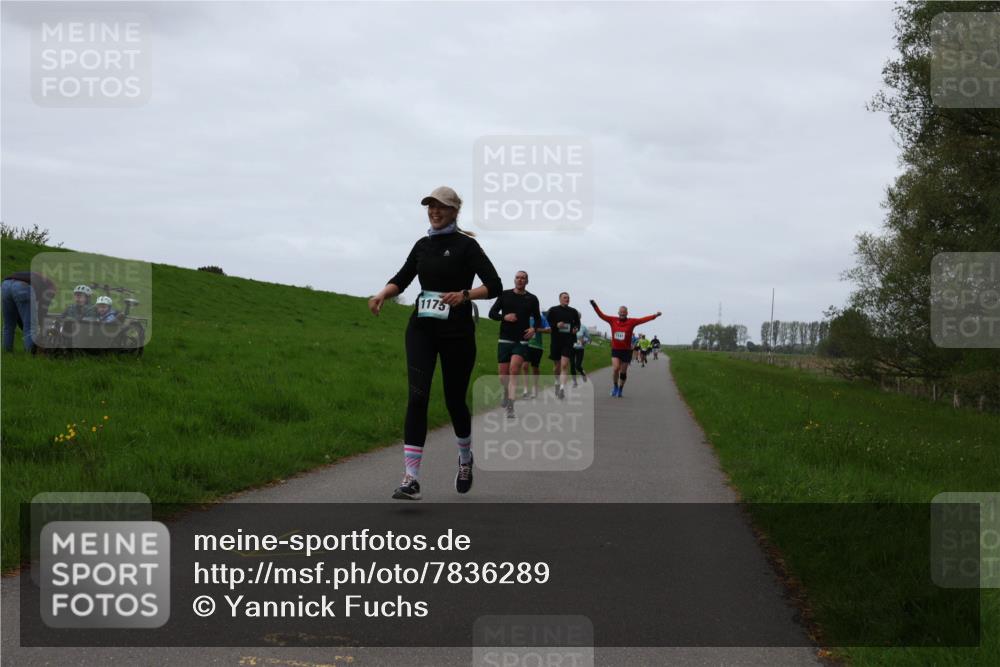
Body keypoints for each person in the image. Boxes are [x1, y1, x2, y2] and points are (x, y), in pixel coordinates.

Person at [369, 186, 502, 501]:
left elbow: (494, 285)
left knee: (454, 400)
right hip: (422, 328)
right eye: (430, 206)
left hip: (457, 332)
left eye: (441, 207)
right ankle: (411, 478)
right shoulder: (422, 245)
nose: (434, 211)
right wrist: (382, 293)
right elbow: (402, 277)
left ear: (454, 211)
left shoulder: (467, 246)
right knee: (417, 397)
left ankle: (465, 459)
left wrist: (465, 295)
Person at [488, 270, 541, 419]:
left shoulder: (532, 299)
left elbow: (537, 319)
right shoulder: (504, 295)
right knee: (502, 376)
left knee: (514, 370)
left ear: (527, 281)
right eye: (517, 277)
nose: (520, 280)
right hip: (505, 339)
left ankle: (511, 406)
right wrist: (505, 317)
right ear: (514, 280)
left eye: (523, 278)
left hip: (521, 340)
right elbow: (492, 313)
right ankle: (506, 393)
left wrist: (533, 329)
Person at [590, 300, 662, 398]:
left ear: (627, 313)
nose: (622, 313)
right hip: (616, 350)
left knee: (623, 372)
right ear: (618, 313)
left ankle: (620, 389)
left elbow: (643, 320)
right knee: (616, 368)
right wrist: (594, 305)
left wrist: (655, 316)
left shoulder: (631, 322)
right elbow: (601, 315)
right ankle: (615, 387)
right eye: (621, 312)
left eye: (624, 312)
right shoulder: (612, 320)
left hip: (626, 351)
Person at [1, 271, 57, 353]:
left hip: (5, 285)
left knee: (8, 325)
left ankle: (7, 351)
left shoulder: (37, 279)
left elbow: (19, 313)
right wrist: (41, 326)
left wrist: (24, 324)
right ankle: (31, 353)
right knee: (30, 327)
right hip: (22, 287)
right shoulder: (50, 288)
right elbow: (42, 310)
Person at [546, 292, 581, 399]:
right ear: (560, 299)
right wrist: (556, 325)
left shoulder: (573, 311)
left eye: (568, 298)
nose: (567, 299)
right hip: (556, 341)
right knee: (557, 367)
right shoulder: (553, 310)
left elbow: (578, 324)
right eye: (565, 297)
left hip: (568, 341)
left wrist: (576, 328)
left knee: (564, 365)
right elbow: (548, 322)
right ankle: (557, 382)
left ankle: (562, 389)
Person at [521, 312, 549, 399]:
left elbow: (549, 330)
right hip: (525, 345)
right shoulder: (523, 315)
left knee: (535, 368)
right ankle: (525, 390)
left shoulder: (540, 318)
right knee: (525, 366)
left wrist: (536, 329)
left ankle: (535, 388)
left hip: (537, 346)